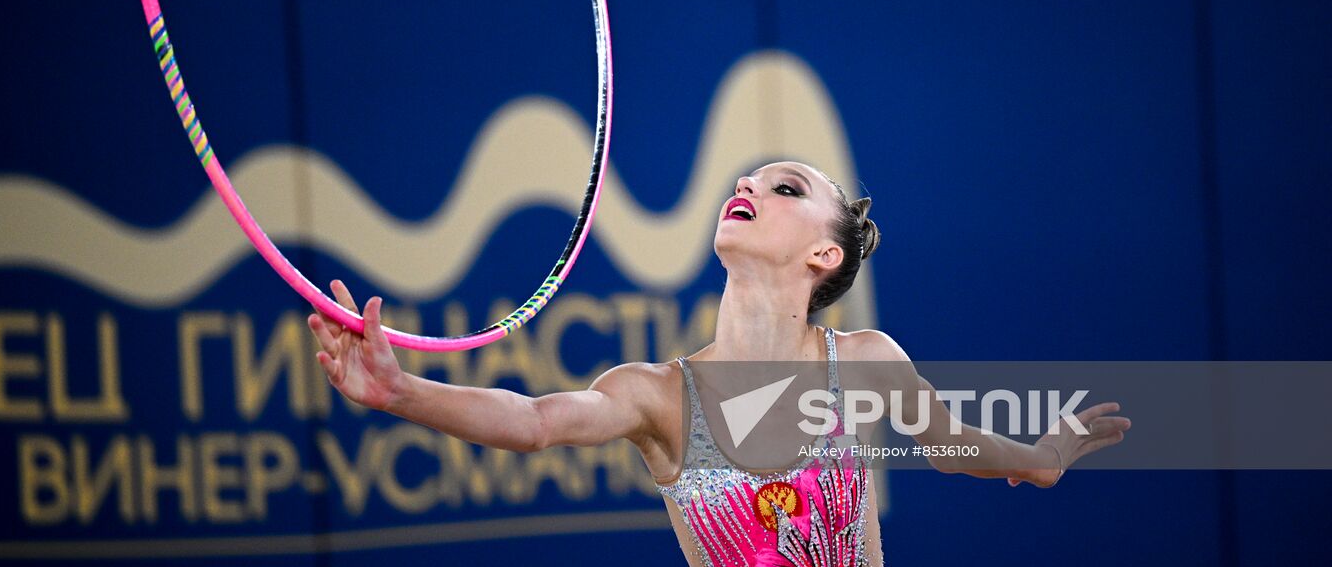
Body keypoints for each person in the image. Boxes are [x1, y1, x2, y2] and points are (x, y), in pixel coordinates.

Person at [308, 161, 1130, 566]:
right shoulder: (661, 398)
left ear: (821, 251)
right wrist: (398, 390)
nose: (749, 182)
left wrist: (1043, 458)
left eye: (786, 186)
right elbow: (533, 423)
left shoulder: (868, 364)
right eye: (750, 178)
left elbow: (960, 447)